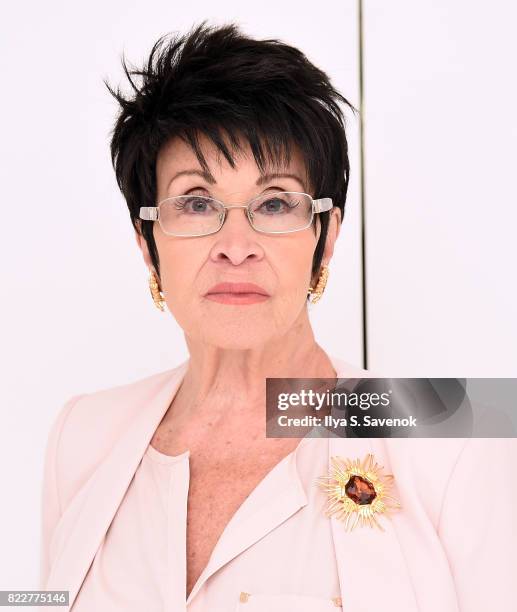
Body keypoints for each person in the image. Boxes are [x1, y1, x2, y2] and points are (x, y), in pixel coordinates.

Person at [39, 21, 516, 612]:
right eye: (195, 202)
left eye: (274, 203)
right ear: (148, 241)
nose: (235, 244)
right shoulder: (82, 436)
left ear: (326, 236)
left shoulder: (451, 433)